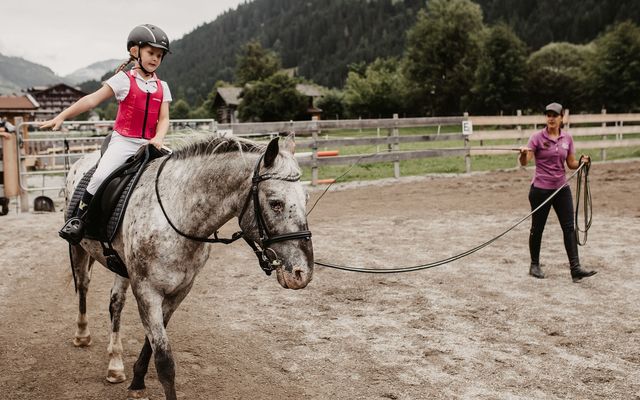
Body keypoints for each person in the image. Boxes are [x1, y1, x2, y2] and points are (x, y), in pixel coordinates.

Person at [40, 24, 172, 244]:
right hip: (125, 142)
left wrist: (158, 138)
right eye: (151, 53)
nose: (156, 58)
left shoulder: (163, 86)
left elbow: (165, 118)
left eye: (160, 55)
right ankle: (79, 220)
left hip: (150, 143)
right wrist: (62, 116)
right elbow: (91, 99)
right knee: (100, 176)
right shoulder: (123, 80)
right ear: (134, 51)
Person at [519, 102, 597, 282]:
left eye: (554, 115)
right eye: (548, 115)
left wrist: (582, 161)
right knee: (537, 228)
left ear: (562, 117)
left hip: (562, 188)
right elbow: (525, 162)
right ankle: (534, 264)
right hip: (540, 190)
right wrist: (523, 153)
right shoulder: (537, 138)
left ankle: (575, 268)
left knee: (569, 228)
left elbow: (570, 164)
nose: (551, 118)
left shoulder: (567, 139)